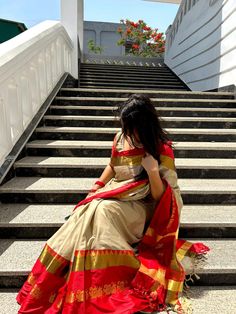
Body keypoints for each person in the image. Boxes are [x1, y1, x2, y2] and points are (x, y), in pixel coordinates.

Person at [16, 94, 209, 313]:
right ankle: (62, 274)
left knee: (101, 209)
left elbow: (163, 198)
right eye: (125, 125)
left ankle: (104, 280)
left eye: (131, 126)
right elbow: (112, 164)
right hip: (116, 193)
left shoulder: (160, 148)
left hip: (142, 205)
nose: (126, 131)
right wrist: (98, 185)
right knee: (87, 210)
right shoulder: (120, 137)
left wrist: (153, 170)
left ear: (144, 125)